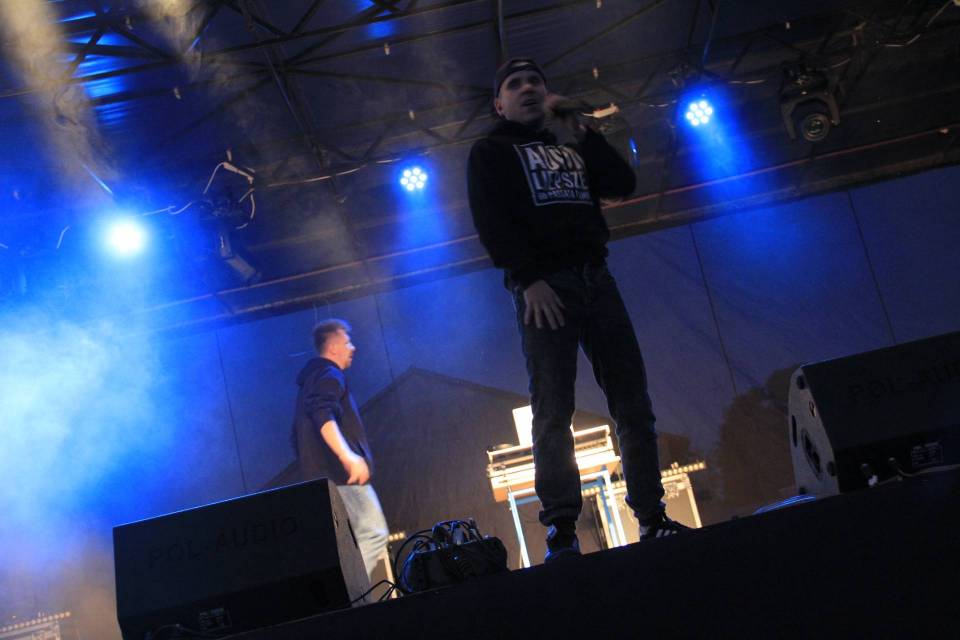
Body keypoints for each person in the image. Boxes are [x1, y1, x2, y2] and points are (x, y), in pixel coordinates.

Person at [467, 58, 688, 562]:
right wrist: (528, 280)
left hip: (596, 277)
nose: (527, 88)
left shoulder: (569, 139)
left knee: (632, 401)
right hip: (546, 286)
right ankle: (562, 531)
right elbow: (491, 221)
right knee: (553, 408)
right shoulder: (491, 151)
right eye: (514, 84)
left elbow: (622, 184)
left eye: (535, 82)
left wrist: (582, 133)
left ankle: (651, 516)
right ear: (499, 103)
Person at [291, 319, 389, 578]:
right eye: (347, 342)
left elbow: (296, 436)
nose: (352, 347)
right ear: (333, 347)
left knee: (348, 542)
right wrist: (348, 456)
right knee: (373, 533)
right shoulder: (330, 374)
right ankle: (352, 593)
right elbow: (322, 411)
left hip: (323, 478)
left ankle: (348, 591)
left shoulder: (308, 384)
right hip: (342, 476)